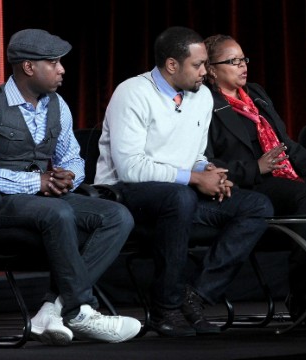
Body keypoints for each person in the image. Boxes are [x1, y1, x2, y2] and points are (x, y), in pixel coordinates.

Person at [0, 29, 141, 345]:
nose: (62, 69)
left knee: (117, 216)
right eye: (53, 62)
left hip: (45, 201)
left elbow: (72, 157)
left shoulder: (57, 105)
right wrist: (33, 181)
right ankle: (81, 309)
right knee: (57, 213)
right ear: (29, 67)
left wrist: (68, 177)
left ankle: (52, 310)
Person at [94, 26, 274, 337]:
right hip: (125, 197)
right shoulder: (133, 93)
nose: (206, 72)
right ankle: (166, 307)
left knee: (255, 205)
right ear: (172, 65)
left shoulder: (201, 96)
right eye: (198, 65)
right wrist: (194, 178)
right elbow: (130, 169)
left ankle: (196, 297)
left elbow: (195, 153)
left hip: (179, 192)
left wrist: (210, 172)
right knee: (180, 198)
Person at [202, 34, 306, 324]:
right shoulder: (204, 104)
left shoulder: (256, 94)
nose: (242, 66)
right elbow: (207, 160)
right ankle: (303, 295)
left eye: (243, 59)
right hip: (249, 182)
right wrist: (256, 167)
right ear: (211, 69)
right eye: (233, 61)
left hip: (282, 174)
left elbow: (286, 145)